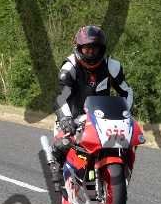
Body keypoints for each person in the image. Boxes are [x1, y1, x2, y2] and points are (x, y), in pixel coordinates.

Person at [47, 25, 134, 173]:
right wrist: (66, 118)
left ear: (102, 49)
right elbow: (60, 96)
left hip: (103, 119)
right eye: (87, 48)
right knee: (63, 145)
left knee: (126, 144)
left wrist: (126, 113)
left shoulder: (111, 66)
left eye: (95, 48)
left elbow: (127, 92)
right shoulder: (70, 67)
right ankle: (59, 173)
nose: (91, 52)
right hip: (73, 119)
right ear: (79, 48)